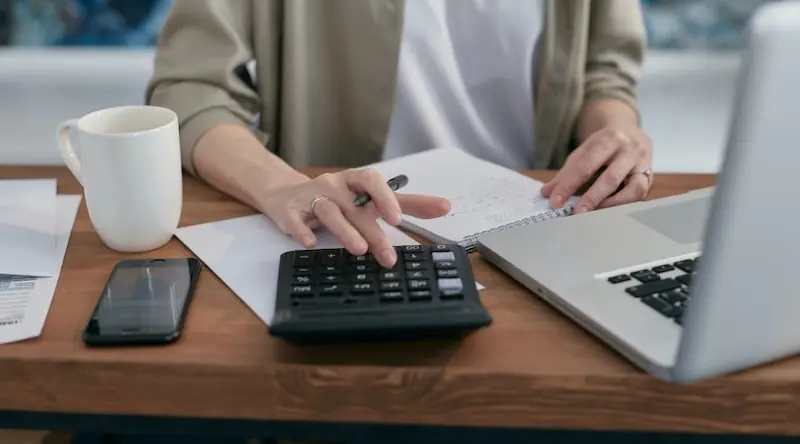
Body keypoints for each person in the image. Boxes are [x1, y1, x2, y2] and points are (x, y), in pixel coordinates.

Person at [146, 0, 652, 270]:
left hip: (541, 227)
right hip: (349, 240)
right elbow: (191, 86)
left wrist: (618, 134)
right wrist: (281, 186)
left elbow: (603, 73)